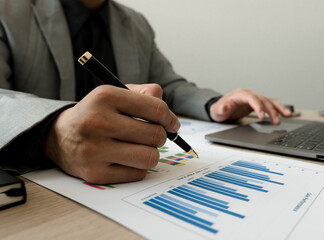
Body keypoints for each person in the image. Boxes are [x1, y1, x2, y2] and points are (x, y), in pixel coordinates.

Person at [0, 0, 291, 184]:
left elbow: (169, 85)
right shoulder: (7, 10)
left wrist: (214, 104)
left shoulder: (135, 23)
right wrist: (53, 133)